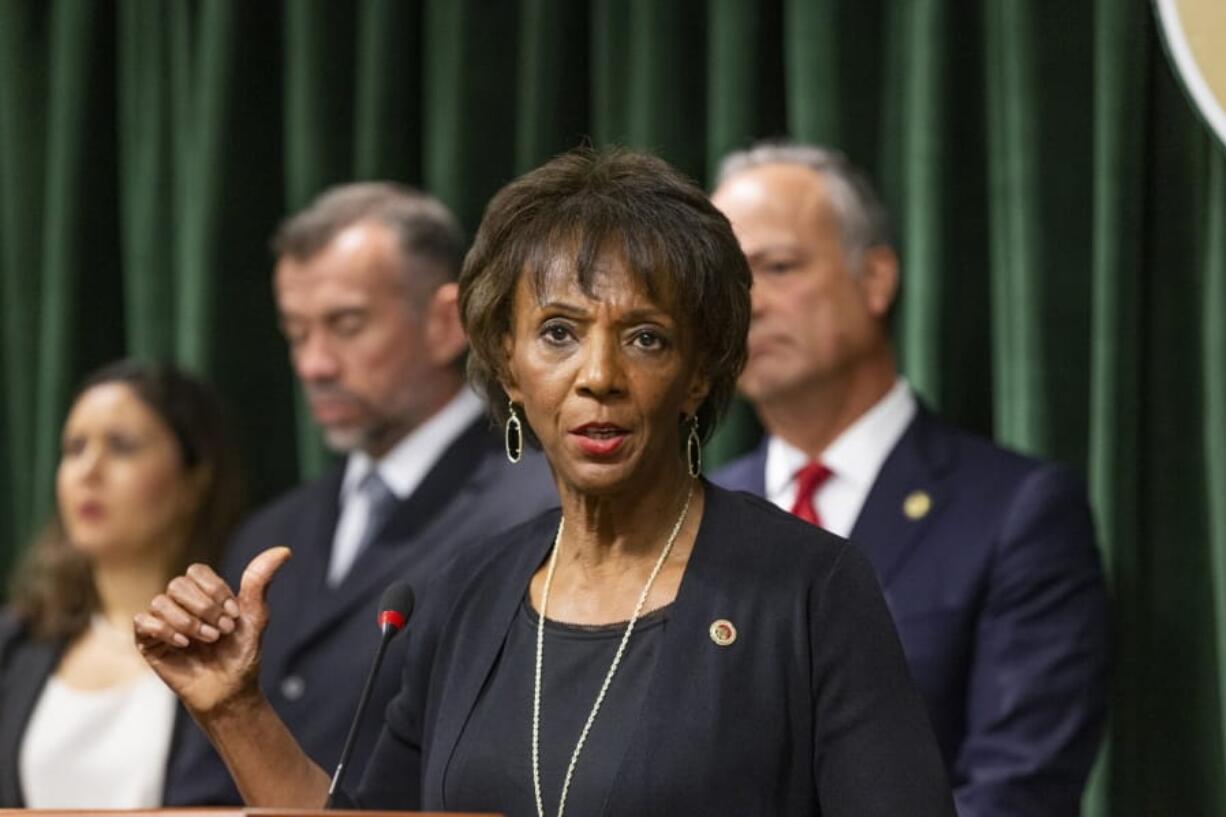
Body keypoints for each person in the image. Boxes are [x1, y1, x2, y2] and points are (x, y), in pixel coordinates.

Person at [136, 147, 955, 816]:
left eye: (646, 337)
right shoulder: (461, 595)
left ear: (700, 374)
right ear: (506, 364)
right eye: (558, 332)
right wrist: (234, 710)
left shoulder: (808, 588)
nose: (598, 375)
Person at [709, 141, 1110, 816]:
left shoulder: (1018, 512)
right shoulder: (696, 518)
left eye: (778, 267)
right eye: (723, 283)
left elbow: (1018, 791)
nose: (751, 303)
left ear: (876, 278)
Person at [164, 182, 558, 804]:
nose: (314, 365)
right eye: (296, 334)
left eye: (345, 326)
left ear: (444, 322)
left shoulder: (541, 505)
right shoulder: (272, 531)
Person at [0, 360, 244, 808]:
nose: (88, 471)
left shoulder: (237, 648)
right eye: (73, 448)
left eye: (122, 447)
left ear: (194, 478)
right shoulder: (15, 644)